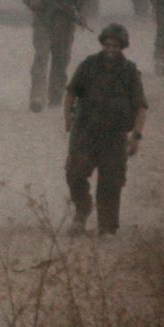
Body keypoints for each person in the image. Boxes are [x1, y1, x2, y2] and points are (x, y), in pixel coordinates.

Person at [63, 24, 148, 236]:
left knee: (111, 181)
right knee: (74, 173)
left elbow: (140, 107)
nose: (111, 49)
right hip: (86, 130)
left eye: (116, 45)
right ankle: (82, 210)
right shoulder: (88, 66)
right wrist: (68, 118)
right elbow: (71, 93)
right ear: (102, 44)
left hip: (114, 135)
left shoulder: (129, 72)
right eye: (108, 44)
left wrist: (135, 136)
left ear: (122, 47)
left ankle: (106, 226)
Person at [22, 0, 90, 112]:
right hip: (43, 17)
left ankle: (55, 96)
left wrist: (82, 14)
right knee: (41, 55)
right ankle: (37, 95)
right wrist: (32, 0)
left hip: (65, 20)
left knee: (61, 59)